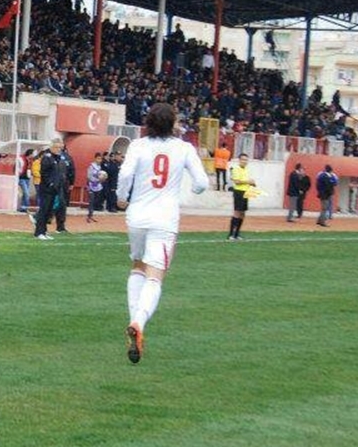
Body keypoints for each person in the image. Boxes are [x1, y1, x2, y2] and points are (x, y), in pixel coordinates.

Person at [116, 103, 210, 364]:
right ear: (172, 124)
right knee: (155, 276)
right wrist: (195, 192)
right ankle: (139, 321)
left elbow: (125, 174)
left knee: (137, 266)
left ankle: (135, 322)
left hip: (137, 215)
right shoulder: (183, 148)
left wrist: (122, 197)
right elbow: (202, 182)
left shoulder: (138, 145)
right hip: (164, 219)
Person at [33, 137, 74, 240]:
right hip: (47, 189)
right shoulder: (47, 157)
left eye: (60, 147)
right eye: (57, 147)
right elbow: (44, 173)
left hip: (56, 188)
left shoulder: (58, 158)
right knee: (44, 210)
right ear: (52, 146)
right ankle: (39, 232)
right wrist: (50, 184)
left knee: (49, 211)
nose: (59, 149)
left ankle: (44, 231)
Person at [228, 153, 255, 240]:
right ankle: (231, 234)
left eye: (246, 160)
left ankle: (237, 233)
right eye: (243, 159)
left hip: (246, 192)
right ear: (239, 160)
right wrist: (248, 182)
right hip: (238, 192)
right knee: (237, 212)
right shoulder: (236, 169)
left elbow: (247, 181)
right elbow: (236, 181)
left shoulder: (247, 170)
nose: (244, 161)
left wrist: (252, 184)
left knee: (243, 213)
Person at [86, 152, 105, 223]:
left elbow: (100, 175)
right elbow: (89, 176)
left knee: (95, 201)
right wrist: (97, 180)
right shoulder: (91, 166)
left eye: (100, 159)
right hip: (91, 185)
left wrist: (102, 179)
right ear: (95, 158)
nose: (99, 160)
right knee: (91, 201)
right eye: (98, 159)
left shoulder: (99, 167)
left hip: (97, 186)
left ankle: (91, 215)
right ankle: (89, 216)